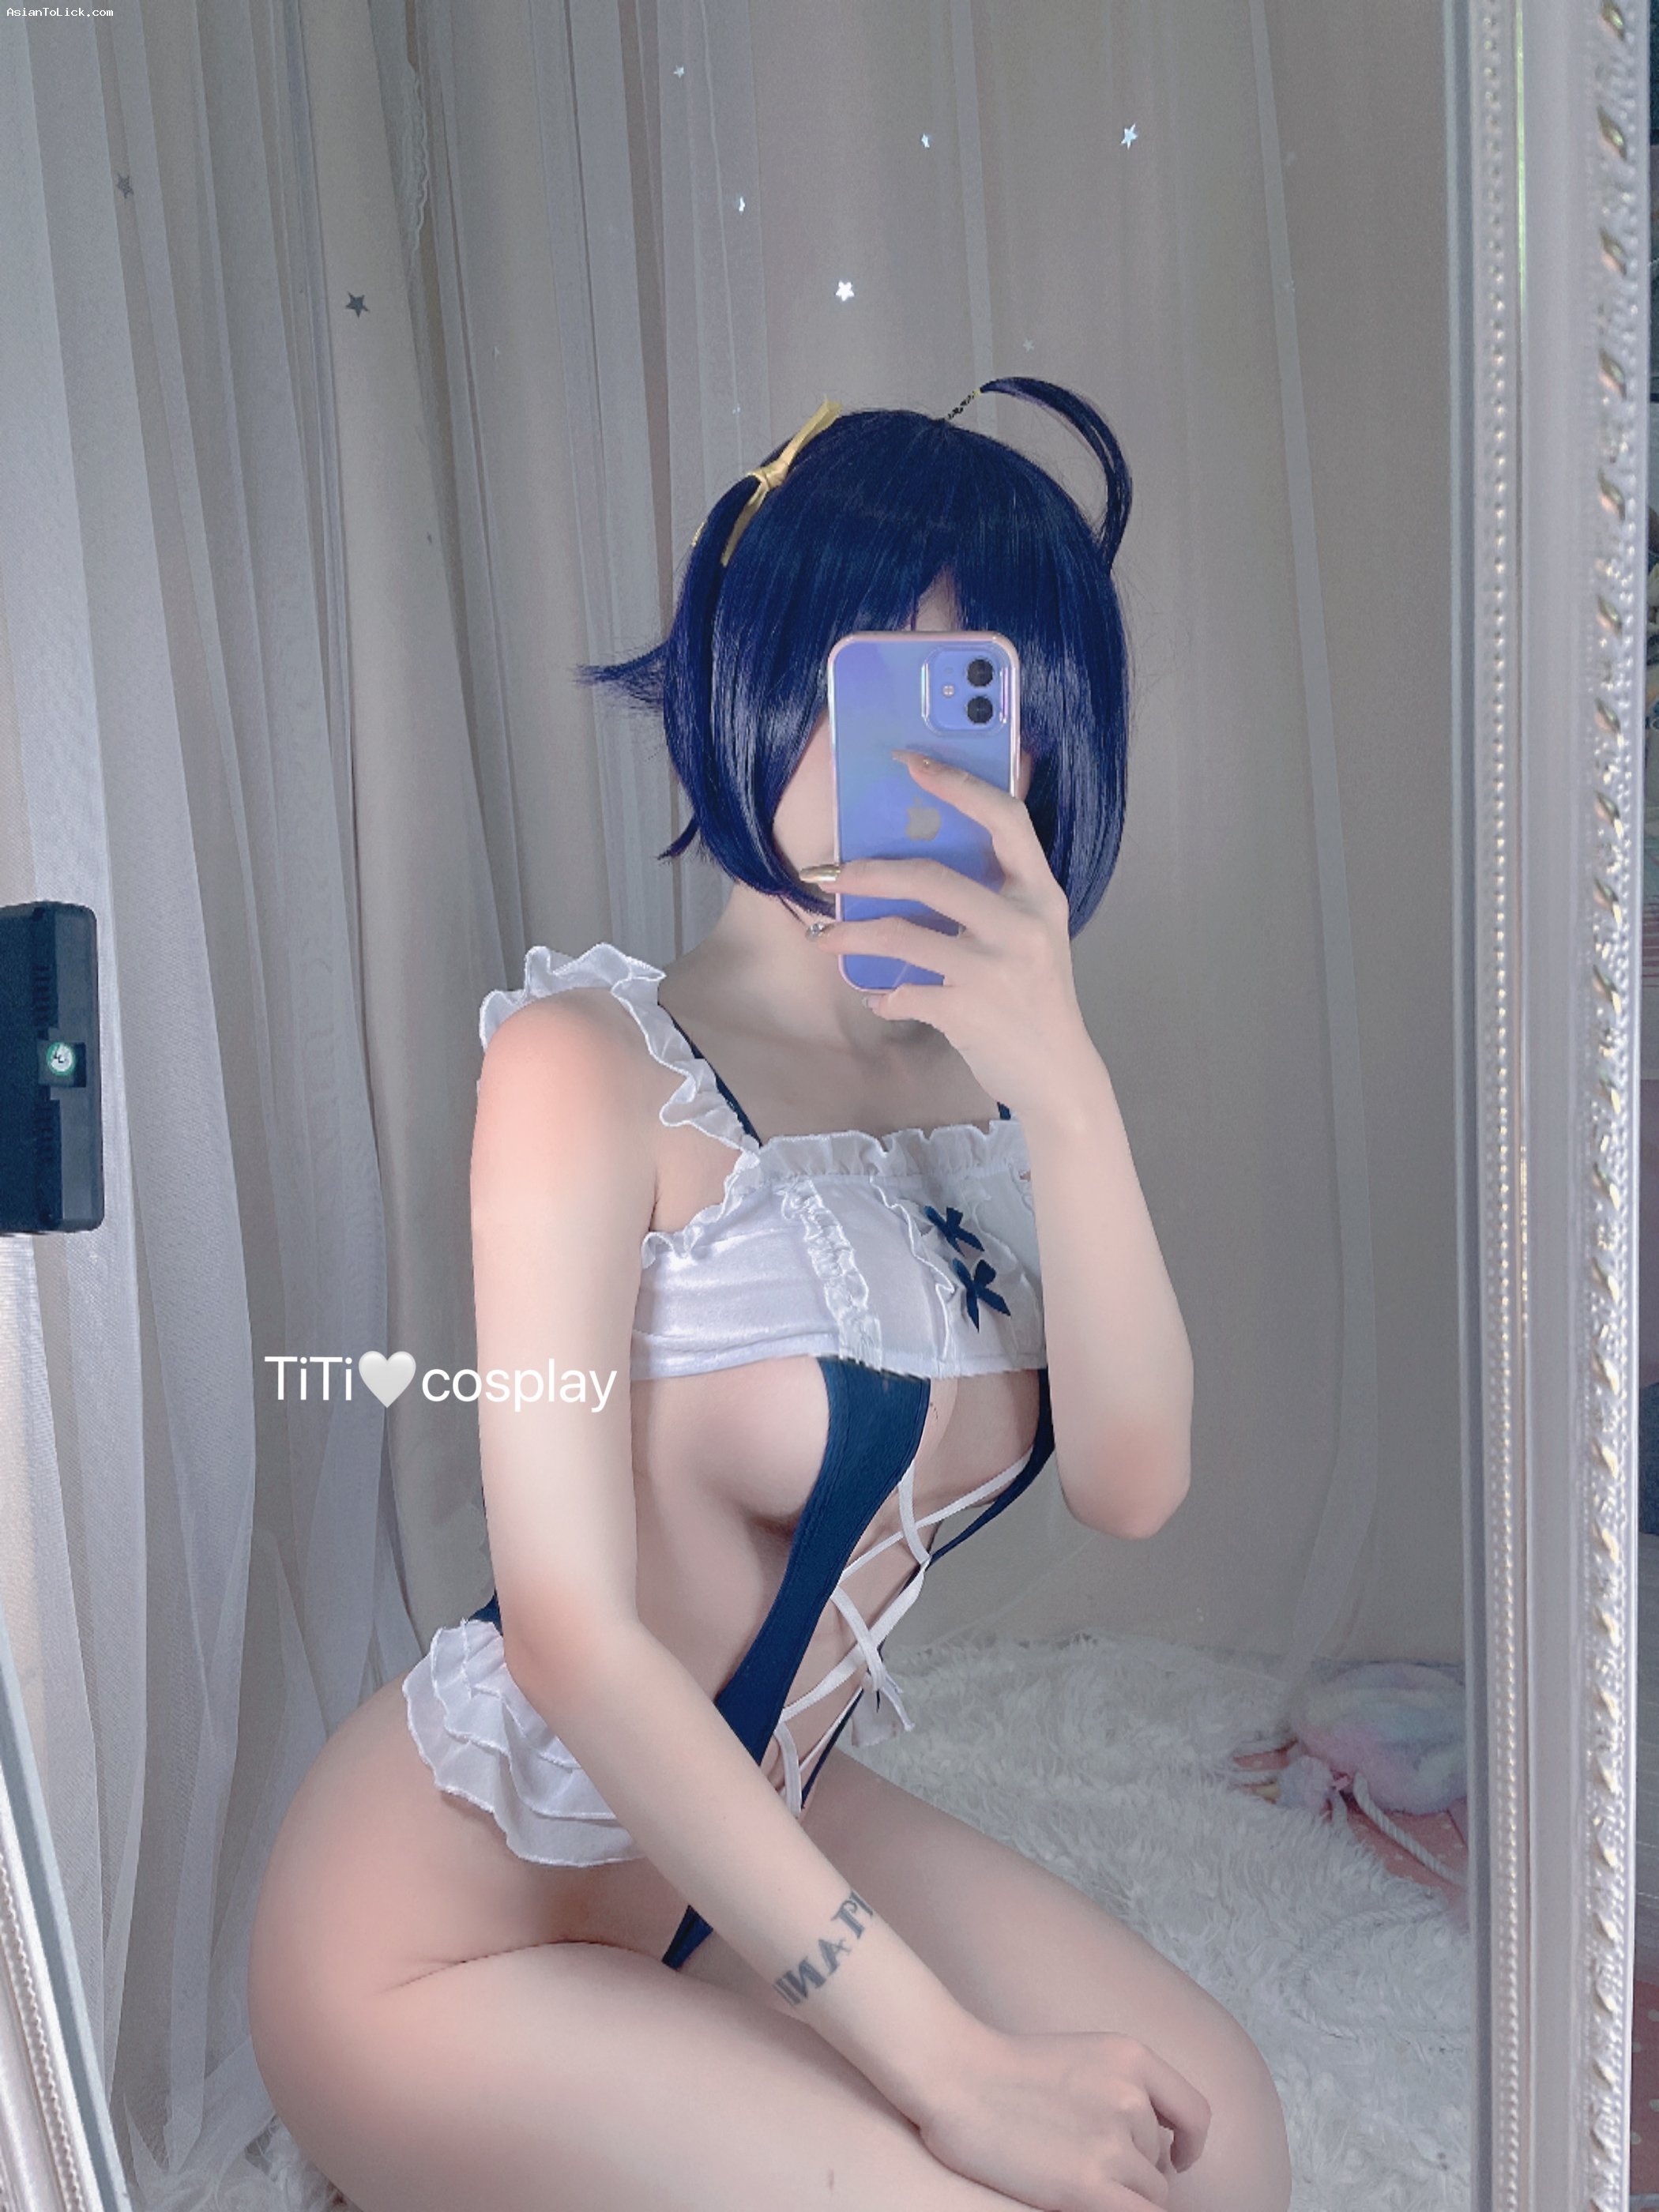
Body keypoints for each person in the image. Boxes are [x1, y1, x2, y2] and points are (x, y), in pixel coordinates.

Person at [248, 382, 1292, 2211]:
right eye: (879, 677)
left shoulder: (986, 1100)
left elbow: (1135, 1481)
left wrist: (1066, 1083)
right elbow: (571, 1634)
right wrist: (951, 2066)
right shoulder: (584, 1065)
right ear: (759, 666)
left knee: (1223, 2144)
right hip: (447, 1920)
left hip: (747, 1831)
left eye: (989, 701)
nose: (939, 757)